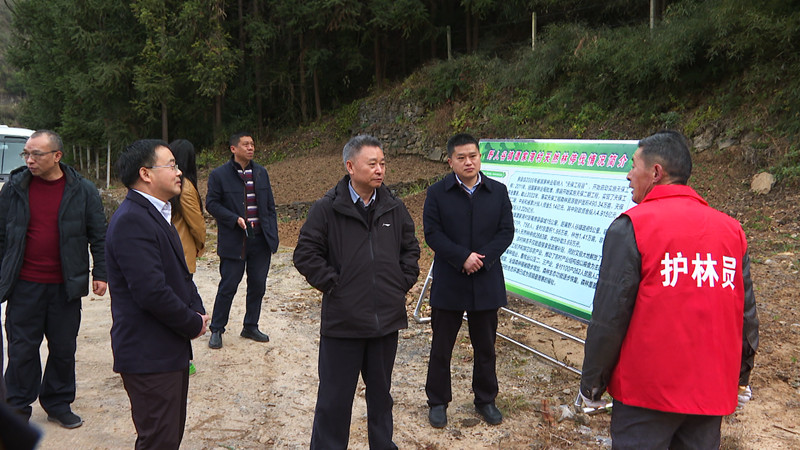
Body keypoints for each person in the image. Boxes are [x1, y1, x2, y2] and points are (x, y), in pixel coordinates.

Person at [580, 130, 759, 449]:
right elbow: (746, 315)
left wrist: (592, 384)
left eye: (633, 165)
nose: (628, 175)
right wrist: (741, 376)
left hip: (646, 394)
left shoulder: (632, 226)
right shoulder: (731, 231)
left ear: (656, 172)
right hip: (710, 392)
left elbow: (610, 317)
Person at [293, 134, 420, 449]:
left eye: (383, 163)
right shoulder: (327, 209)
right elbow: (305, 254)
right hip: (343, 323)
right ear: (350, 166)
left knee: (381, 398)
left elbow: (410, 249)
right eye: (372, 163)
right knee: (334, 400)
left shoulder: (393, 207)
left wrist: (399, 283)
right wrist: (336, 285)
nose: (380, 170)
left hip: (385, 323)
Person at [106, 139, 210, 449]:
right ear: (146, 173)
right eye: (171, 165)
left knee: (168, 436)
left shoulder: (159, 213)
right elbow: (151, 291)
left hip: (167, 349)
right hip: (149, 354)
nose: (179, 172)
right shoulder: (132, 220)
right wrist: (191, 322)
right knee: (158, 440)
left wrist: (197, 309)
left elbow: (180, 274)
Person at [0, 129, 107, 429]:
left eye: (36, 154)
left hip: (64, 286)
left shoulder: (82, 190)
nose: (29, 160)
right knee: (21, 349)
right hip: (24, 285)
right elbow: (1, 234)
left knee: (63, 349)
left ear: (57, 156)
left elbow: (99, 234)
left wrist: (101, 273)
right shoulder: (15, 187)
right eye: (26, 154)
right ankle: (17, 407)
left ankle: (58, 403)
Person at [423, 133, 515, 428]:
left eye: (473, 156)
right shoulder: (437, 193)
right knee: (442, 346)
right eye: (461, 157)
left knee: (485, 346)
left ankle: (485, 399)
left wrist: (483, 259)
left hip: (485, 280)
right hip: (450, 279)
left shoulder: (497, 191)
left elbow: (506, 231)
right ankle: (438, 401)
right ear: (450, 161)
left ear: (480, 157)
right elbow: (432, 233)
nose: (468, 162)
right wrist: (462, 257)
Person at [206, 132, 278, 349]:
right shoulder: (219, 175)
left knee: (258, 285)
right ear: (233, 149)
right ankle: (217, 329)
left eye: (252, 144)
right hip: (235, 240)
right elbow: (211, 204)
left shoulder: (261, 173)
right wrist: (233, 219)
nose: (250, 148)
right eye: (245, 144)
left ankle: (250, 325)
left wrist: (272, 233)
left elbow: (270, 206)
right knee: (228, 285)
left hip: (260, 239)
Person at [169, 139, 206, 275]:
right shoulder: (185, 187)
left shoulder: (167, 183)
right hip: (182, 251)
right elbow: (197, 224)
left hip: (170, 250)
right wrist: (200, 245)